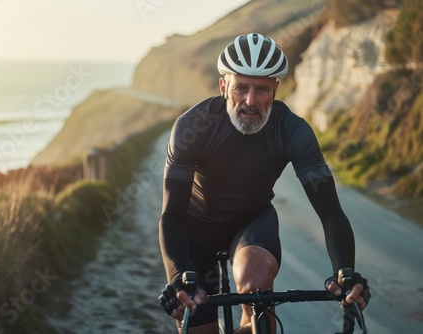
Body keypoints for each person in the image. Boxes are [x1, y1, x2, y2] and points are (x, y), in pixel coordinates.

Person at [158, 33, 370, 334]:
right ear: (223, 86)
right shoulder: (192, 127)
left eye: (262, 89)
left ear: (276, 89)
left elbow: (331, 213)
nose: (251, 101)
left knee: (257, 288)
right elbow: (171, 216)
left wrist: (345, 272)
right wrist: (178, 275)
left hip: (251, 222)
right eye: (241, 87)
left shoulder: (292, 131)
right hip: (194, 227)